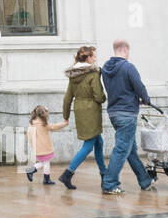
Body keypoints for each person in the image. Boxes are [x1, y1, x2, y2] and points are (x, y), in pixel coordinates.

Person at [100, 39, 157, 195]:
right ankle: (110, 183)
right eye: (128, 50)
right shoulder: (128, 67)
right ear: (125, 49)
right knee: (121, 149)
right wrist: (146, 99)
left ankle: (145, 181)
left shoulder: (105, 68)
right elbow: (139, 86)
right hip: (127, 113)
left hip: (113, 112)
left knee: (129, 149)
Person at [59, 45, 107, 190]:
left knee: (98, 142)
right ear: (87, 58)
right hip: (91, 110)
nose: (95, 59)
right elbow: (98, 95)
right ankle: (68, 173)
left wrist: (66, 116)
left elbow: (67, 98)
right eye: (93, 56)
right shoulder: (93, 73)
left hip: (79, 110)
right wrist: (103, 98)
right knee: (89, 144)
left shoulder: (74, 75)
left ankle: (104, 175)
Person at [25, 105, 68, 185]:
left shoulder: (31, 125)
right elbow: (55, 127)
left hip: (37, 149)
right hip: (45, 149)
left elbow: (29, 137)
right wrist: (64, 124)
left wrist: (32, 146)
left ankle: (46, 179)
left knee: (45, 162)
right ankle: (32, 170)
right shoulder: (43, 125)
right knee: (45, 163)